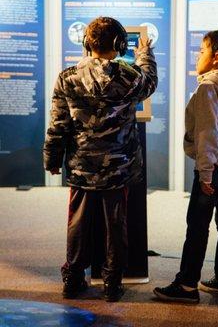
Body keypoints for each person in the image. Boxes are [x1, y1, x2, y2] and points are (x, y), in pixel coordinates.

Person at [43, 17, 157, 302]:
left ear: (86, 43)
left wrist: (52, 158)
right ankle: (112, 284)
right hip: (119, 170)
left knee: (78, 223)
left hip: (82, 169)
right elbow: (150, 81)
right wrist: (145, 53)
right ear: (120, 45)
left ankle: (72, 279)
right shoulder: (130, 76)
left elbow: (58, 125)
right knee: (116, 224)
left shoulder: (67, 77)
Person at [154, 30, 218, 303]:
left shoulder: (208, 87)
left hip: (214, 167)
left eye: (202, 51)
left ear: (216, 57)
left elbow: (209, 135)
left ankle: (186, 286)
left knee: (197, 225)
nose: (197, 56)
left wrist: (205, 174)